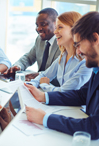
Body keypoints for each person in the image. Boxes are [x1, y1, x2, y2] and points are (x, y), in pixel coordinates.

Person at [24, 11, 99, 140]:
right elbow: (81, 95)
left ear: (95, 39)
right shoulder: (96, 68)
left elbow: (94, 127)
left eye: (79, 44)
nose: (79, 51)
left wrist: (45, 118)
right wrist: (44, 96)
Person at [27, 11, 92, 92]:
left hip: (74, 104)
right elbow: (44, 75)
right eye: (55, 28)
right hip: (61, 103)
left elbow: (64, 91)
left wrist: (45, 85)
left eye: (60, 27)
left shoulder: (85, 62)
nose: (55, 32)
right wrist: (31, 85)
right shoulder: (63, 56)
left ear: (74, 29)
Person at [4, 8, 60, 82]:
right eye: (37, 25)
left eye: (43, 24)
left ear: (56, 23)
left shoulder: (62, 43)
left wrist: (39, 75)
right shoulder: (40, 40)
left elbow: (60, 73)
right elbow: (29, 57)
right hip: (38, 85)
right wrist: (18, 66)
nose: (38, 28)